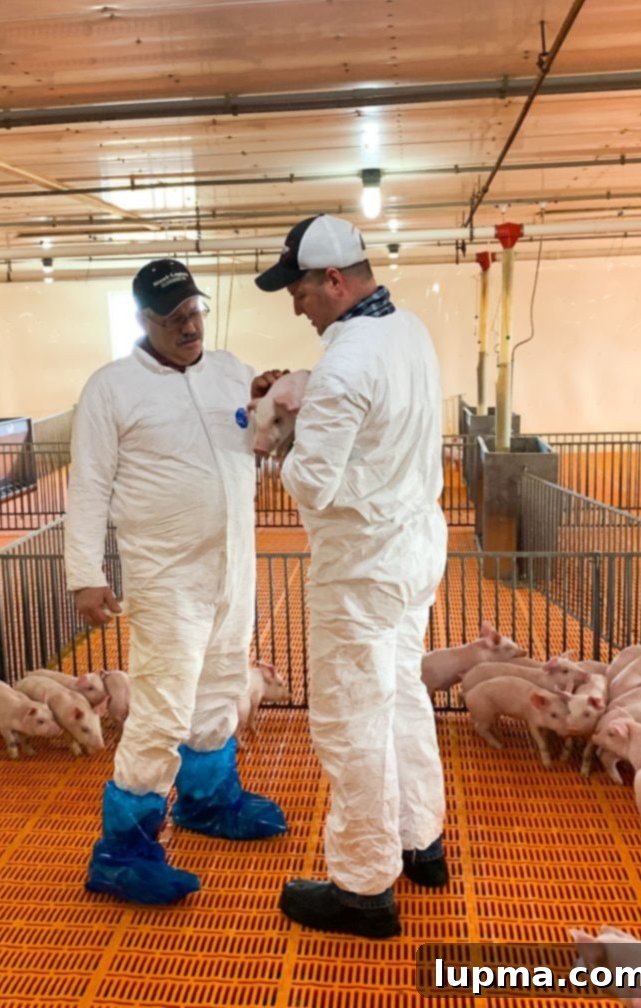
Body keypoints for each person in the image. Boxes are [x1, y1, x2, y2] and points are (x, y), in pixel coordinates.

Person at [64, 258, 287, 906]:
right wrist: (85, 574)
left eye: (195, 311)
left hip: (233, 565)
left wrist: (270, 403)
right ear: (144, 320)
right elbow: (89, 485)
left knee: (220, 684)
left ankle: (208, 801)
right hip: (166, 579)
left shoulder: (230, 370)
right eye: (173, 318)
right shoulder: (111, 388)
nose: (190, 326)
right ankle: (123, 851)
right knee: (161, 707)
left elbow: (262, 441)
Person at [254, 214, 448, 939]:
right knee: (401, 697)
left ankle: (363, 887)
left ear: (333, 280)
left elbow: (312, 483)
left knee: (351, 718)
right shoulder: (408, 330)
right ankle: (421, 843)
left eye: (300, 292)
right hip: (415, 545)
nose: (297, 307)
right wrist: (306, 393)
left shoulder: (344, 365)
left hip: (362, 565)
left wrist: (281, 434)